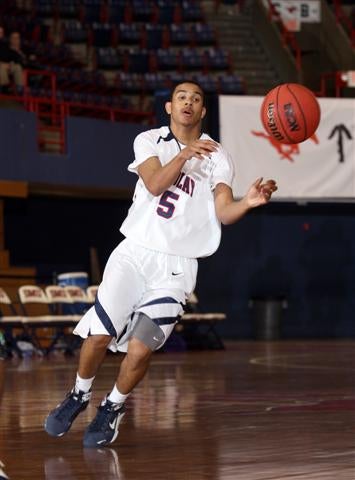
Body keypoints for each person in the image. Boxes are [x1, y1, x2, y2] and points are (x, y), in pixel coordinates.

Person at [44, 81, 277, 448]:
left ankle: (113, 406)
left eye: (196, 99)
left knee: (141, 348)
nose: (189, 102)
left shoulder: (219, 157)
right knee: (99, 335)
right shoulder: (149, 140)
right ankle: (79, 393)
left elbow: (224, 212)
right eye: (182, 96)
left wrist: (247, 202)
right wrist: (184, 156)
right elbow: (154, 184)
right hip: (134, 253)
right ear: (169, 107)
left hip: (177, 267)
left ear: (202, 112)